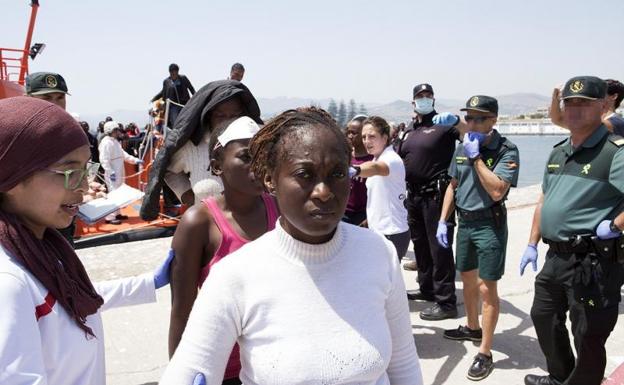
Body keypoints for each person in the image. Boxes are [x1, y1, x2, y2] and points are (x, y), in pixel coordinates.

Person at [159, 107, 424, 385]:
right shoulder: (234, 276)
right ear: (270, 180)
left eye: (336, 173)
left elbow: (404, 365)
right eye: (304, 174)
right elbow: (186, 372)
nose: (323, 192)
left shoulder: (378, 253)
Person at [0, 96, 173, 385]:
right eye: (69, 172)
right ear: (13, 177)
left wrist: (149, 282)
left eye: (86, 170)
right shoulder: (10, 283)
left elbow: (71, 295)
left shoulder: (38, 248)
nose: (84, 186)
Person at [520, 76, 624, 385]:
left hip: (593, 262)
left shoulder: (614, 152)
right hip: (555, 256)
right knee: (543, 317)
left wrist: (615, 225)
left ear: (603, 106)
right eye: (570, 102)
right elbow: (544, 200)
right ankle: (560, 377)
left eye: (584, 103)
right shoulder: (557, 152)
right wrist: (531, 242)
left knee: (588, 335)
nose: (575, 109)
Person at [168, 117, 278, 385]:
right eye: (246, 157)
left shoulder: (281, 210)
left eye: (263, 156)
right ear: (217, 166)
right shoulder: (199, 223)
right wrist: (180, 375)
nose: (258, 166)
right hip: (225, 368)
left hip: (276, 361)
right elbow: (182, 310)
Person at [438, 95, 520, 381]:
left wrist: (476, 158)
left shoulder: (506, 150)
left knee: (488, 289)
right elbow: (453, 185)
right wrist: (442, 220)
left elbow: (497, 190)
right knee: (468, 279)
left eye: (479, 118)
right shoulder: (462, 147)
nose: (472, 123)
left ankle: (485, 351)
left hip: (489, 225)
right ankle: (472, 327)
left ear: (494, 120)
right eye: (469, 118)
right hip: (465, 224)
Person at [140, 80, 263, 220]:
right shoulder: (192, 146)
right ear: (209, 116)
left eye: (234, 115)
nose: (228, 121)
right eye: (221, 116)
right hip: (209, 226)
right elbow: (168, 170)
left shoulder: (257, 143)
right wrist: (185, 193)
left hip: (254, 224)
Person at [397, 83, 467, 320]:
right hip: (413, 196)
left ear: (434, 100)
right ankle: (427, 289)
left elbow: (471, 137)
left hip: (437, 196)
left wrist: (457, 121)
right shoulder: (409, 130)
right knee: (421, 245)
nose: (424, 99)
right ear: (413, 102)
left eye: (428, 96)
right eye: (420, 96)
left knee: (440, 248)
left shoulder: (445, 125)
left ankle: (446, 302)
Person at [355, 116, 410, 260]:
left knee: (386, 281)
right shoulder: (377, 158)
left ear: (385, 138)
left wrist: (355, 170)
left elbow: (376, 168)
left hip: (392, 234)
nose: (367, 141)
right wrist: (369, 220)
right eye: (364, 137)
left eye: (372, 136)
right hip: (379, 231)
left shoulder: (391, 159)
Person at [98, 121, 143, 224]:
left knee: (119, 193)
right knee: (113, 194)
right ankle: (110, 217)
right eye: (116, 130)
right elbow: (104, 159)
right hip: (113, 172)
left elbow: (123, 154)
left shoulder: (115, 141)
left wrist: (135, 160)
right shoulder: (106, 142)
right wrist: (110, 172)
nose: (118, 132)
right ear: (110, 131)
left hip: (119, 171)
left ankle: (117, 213)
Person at [550, 78, 624, 135]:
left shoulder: (617, 122)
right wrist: (556, 98)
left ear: (614, 96)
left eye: (600, 92)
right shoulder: (595, 120)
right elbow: (557, 119)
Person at [343, 114, 373, 226]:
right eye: (349, 132)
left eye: (354, 133)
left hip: (363, 215)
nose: (350, 136)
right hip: (344, 214)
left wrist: (369, 218)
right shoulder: (345, 156)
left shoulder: (373, 160)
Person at [152, 63, 196, 128]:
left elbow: (191, 88)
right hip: (173, 106)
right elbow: (163, 93)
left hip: (184, 104)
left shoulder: (183, 78)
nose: (174, 73)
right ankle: (176, 134)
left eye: (175, 71)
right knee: (175, 122)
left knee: (187, 120)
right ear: (170, 72)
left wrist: (196, 98)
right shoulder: (166, 81)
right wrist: (155, 98)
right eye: (172, 72)